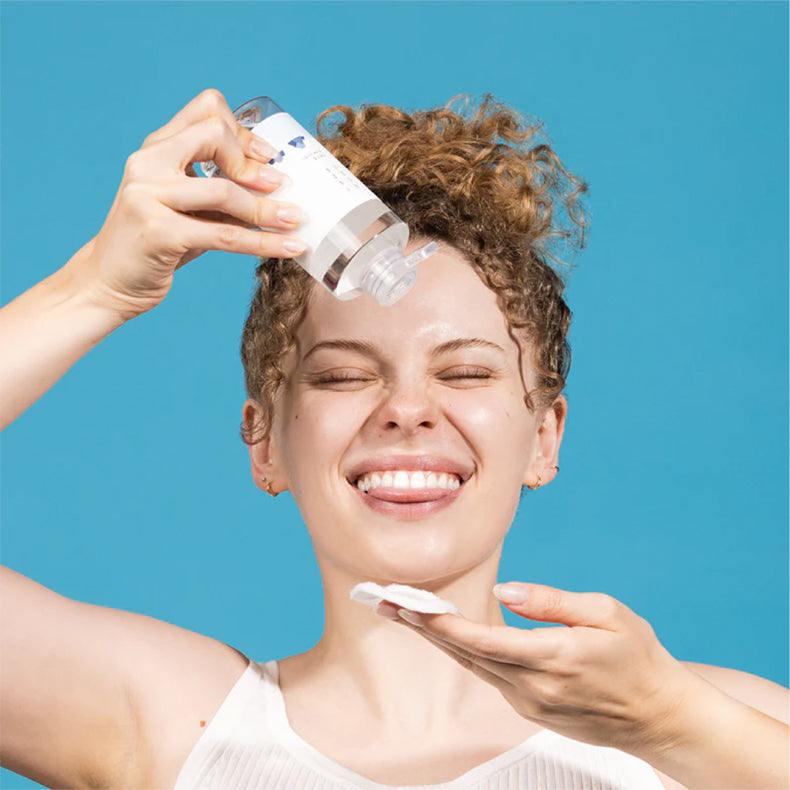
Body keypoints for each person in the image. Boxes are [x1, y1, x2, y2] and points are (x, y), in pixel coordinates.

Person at [0, 89, 787, 790]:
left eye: (468, 375)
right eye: (343, 376)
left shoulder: (697, 732)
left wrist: (673, 725)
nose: (407, 409)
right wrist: (93, 288)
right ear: (263, 441)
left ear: (544, 438)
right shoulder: (170, 727)